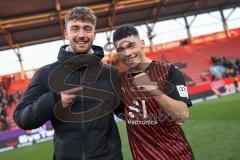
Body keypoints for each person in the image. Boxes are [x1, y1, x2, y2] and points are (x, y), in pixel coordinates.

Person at [13, 6, 123, 160]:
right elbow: (22, 119)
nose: (81, 35)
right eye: (75, 29)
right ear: (66, 33)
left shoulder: (111, 73)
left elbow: (127, 112)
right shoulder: (46, 74)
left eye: (87, 29)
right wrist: (54, 100)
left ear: (94, 34)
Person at [113, 24, 194, 160]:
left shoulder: (169, 71)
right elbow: (122, 113)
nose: (127, 53)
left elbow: (182, 116)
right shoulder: (119, 81)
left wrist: (153, 90)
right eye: (121, 49)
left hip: (177, 155)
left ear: (142, 43)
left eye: (131, 46)